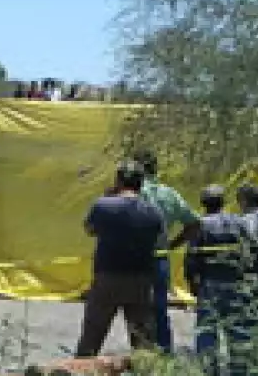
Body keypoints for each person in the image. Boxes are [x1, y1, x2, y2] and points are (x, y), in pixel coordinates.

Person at [75, 160, 163, 357]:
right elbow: (157, 238)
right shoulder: (153, 211)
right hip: (140, 280)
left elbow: (90, 230)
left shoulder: (103, 205)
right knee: (143, 341)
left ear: (118, 181)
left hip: (107, 277)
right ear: (141, 183)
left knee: (92, 336)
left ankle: (80, 369)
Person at [132, 148, 199, 353]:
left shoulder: (130, 194)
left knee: (135, 308)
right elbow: (194, 223)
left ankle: (141, 353)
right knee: (159, 308)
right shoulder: (169, 194)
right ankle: (164, 353)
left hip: (132, 258)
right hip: (160, 257)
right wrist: (172, 244)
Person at [186, 185, 252, 375]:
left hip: (210, 283)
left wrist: (192, 282)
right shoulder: (238, 222)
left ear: (203, 203)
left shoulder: (201, 224)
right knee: (238, 329)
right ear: (223, 202)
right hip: (236, 282)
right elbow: (251, 249)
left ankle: (209, 370)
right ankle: (240, 369)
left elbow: (192, 257)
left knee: (207, 331)